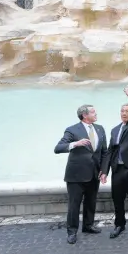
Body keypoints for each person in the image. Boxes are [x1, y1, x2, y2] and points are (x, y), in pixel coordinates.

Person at [54, 104, 108, 245]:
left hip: (94, 174)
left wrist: (104, 171)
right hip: (76, 176)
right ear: (85, 115)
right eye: (93, 112)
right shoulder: (72, 130)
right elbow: (58, 148)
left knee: (91, 202)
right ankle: (72, 232)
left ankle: (88, 226)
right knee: (74, 205)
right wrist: (75, 144)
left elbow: (104, 152)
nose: (96, 114)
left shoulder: (100, 129)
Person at [101, 86, 128, 238]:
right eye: (122, 111)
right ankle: (119, 224)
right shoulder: (114, 130)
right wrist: (104, 171)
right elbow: (109, 151)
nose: (124, 113)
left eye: (127, 111)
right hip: (117, 170)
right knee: (117, 198)